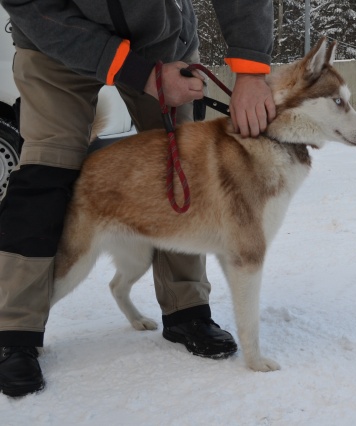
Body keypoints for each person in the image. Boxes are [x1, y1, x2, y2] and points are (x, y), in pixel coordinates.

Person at [0, 0, 276, 397]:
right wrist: (138, 73)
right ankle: (14, 329)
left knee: (182, 164)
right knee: (46, 171)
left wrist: (251, 70)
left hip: (161, 41)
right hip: (55, 42)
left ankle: (187, 309)